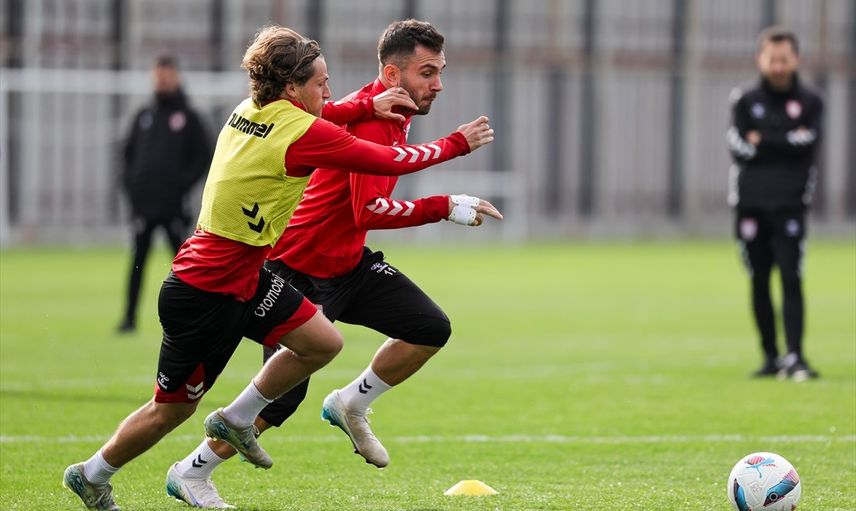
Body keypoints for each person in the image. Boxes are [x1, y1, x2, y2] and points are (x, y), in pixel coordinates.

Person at [62, 25, 494, 511]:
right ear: (291, 87)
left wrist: (363, 105)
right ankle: (93, 474)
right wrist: (457, 144)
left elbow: (331, 113)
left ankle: (239, 419)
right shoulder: (303, 134)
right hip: (207, 289)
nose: (330, 93)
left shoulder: (250, 110)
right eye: (321, 83)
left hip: (250, 276)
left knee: (323, 342)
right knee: (172, 411)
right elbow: (387, 162)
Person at [727, 26, 823, 381]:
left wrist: (764, 139)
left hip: (790, 205)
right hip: (750, 206)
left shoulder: (811, 101)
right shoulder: (744, 100)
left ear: (795, 59)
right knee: (758, 280)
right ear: (760, 60)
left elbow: (808, 146)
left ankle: (795, 355)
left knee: (791, 278)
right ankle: (770, 356)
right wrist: (785, 139)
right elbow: (739, 148)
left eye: (784, 59)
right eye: (772, 59)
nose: (778, 67)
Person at [118, 54, 212, 333]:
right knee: (138, 262)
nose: (162, 81)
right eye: (158, 76)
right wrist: (133, 191)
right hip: (144, 206)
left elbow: (203, 157)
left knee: (185, 264)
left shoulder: (189, 117)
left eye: (167, 75)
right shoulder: (144, 116)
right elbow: (127, 157)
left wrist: (181, 186)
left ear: (177, 77)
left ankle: (196, 315)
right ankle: (129, 319)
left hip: (173, 206)